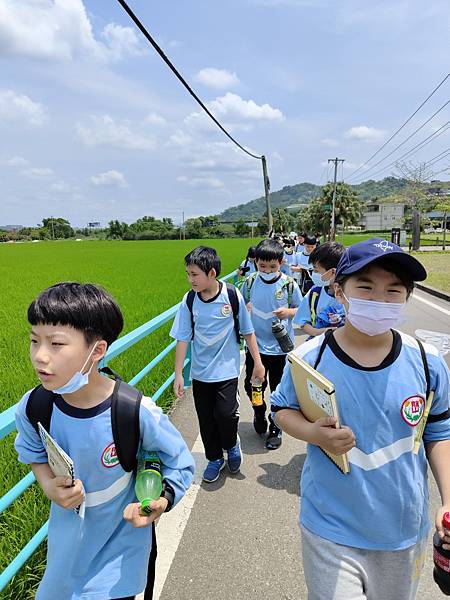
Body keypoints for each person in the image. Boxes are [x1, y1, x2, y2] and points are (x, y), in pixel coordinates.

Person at [270, 238, 450, 600]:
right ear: (340, 291)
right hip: (330, 526)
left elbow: (439, 431)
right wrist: (313, 433)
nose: (379, 301)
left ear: (407, 297)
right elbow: (281, 410)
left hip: (402, 528)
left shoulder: (427, 362)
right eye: (365, 288)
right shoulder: (310, 358)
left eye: (393, 291)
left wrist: (448, 500)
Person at [15, 282, 195, 600]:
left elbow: (179, 460)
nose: (40, 356)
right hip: (66, 552)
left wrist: (162, 500)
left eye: (56, 344)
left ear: (97, 351)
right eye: (34, 340)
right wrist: (47, 484)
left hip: (119, 556)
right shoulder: (34, 406)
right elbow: (32, 451)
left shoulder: (134, 411)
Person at [171, 246, 265, 483]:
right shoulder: (189, 300)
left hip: (226, 370)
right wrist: (178, 374)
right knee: (206, 418)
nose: (190, 279)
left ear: (211, 273)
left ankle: (232, 444)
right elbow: (183, 337)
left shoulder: (232, 296)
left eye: (195, 274)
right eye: (188, 274)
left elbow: (248, 331)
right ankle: (214, 458)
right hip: (200, 372)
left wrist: (258, 363)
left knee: (225, 415)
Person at [241, 238, 302, 450]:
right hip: (256, 347)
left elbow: (302, 312)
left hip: (280, 348)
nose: (267, 270)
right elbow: (241, 307)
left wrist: (289, 312)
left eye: (272, 266)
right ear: (256, 262)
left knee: (279, 389)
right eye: (262, 266)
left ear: (282, 262)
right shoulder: (249, 282)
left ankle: (276, 427)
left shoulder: (289, 284)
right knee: (252, 386)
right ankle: (259, 412)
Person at [293, 241, 345, 337]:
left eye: (316, 271)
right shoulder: (314, 293)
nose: (314, 274)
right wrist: (319, 332)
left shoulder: (351, 295)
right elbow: (303, 323)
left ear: (333, 272)